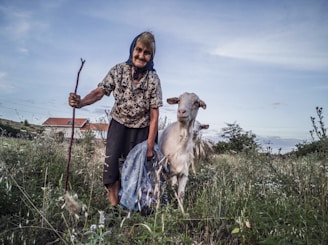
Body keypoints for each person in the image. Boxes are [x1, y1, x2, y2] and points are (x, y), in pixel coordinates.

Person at [68, 31, 163, 207]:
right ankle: (114, 207)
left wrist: (150, 145)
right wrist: (80, 103)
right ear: (132, 49)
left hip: (142, 131)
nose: (141, 55)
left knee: (138, 171)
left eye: (146, 52)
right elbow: (99, 92)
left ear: (151, 56)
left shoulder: (153, 79)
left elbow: (155, 115)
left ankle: (133, 208)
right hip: (119, 126)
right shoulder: (118, 70)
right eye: (139, 49)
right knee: (111, 168)